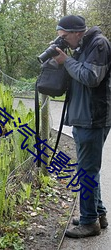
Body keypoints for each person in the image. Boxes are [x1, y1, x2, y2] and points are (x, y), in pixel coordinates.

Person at [53, 15, 111, 238]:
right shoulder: (82, 46)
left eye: (65, 37)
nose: (64, 41)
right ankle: (98, 214)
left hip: (93, 118)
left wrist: (66, 61)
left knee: (86, 172)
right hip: (83, 117)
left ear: (77, 32)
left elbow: (90, 77)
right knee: (88, 169)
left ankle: (89, 223)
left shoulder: (99, 44)